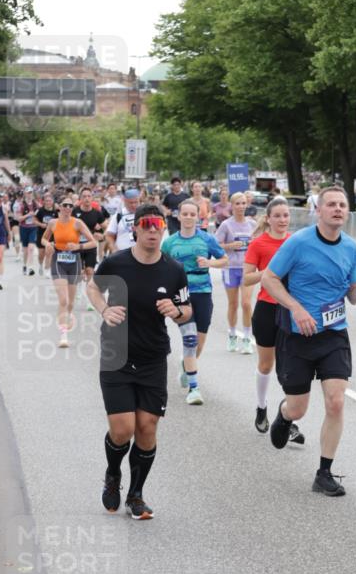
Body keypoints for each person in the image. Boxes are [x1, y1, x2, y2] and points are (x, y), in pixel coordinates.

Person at [261, 186, 356, 496]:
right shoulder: (299, 243)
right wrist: (295, 308)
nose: (337, 209)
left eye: (342, 205)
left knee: (336, 402)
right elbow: (269, 278)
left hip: (334, 334)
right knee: (298, 408)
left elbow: (352, 297)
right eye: (331, 204)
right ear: (319, 210)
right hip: (297, 338)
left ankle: (324, 473)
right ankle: (285, 415)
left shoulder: (351, 248)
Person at [87, 204, 192, 520]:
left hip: (152, 357)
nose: (152, 230)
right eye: (146, 224)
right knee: (122, 430)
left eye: (157, 224)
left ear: (164, 228)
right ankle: (113, 473)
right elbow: (93, 288)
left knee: (147, 428)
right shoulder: (117, 262)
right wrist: (105, 309)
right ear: (135, 228)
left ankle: (136, 495)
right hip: (116, 354)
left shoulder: (173, 269)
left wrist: (176, 311)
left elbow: (187, 309)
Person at [243, 197, 304, 443]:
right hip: (267, 310)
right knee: (267, 364)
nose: (282, 220)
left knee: (290, 368)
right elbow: (246, 278)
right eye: (277, 215)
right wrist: (269, 273)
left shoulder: (295, 242)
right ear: (268, 219)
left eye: (286, 215)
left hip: (290, 309)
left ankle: (288, 420)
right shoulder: (258, 244)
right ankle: (261, 407)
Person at [161, 199, 227, 404]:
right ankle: (194, 388)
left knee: (198, 343)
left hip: (203, 293)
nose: (189, 217)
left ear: (198, 217)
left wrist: (209, 263)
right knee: (189, 339)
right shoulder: (170, 242)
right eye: (185, 214)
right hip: (181, 295)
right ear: (178, 216)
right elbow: (160, 266)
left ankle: (186, 365)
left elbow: (224, 259)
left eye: (192, 214)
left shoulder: (207, 239)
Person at [41, 196, 97, 347]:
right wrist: (48, 244)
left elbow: (93, 242)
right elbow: (43, 239)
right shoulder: (53, 223)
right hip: (58, 261)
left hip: (74, 262)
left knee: (71, 303)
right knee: (63, 300)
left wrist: (79, 246)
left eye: (70, 206)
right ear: (59, 207)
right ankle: (63, 335)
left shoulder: (78, 223)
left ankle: (69, 314)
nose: (67, 208)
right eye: (65, 205)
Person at [216, 192, 256, 353]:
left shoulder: (252, 224)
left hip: (248, 268)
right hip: (230, 268)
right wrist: (230, 246)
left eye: (243, 203)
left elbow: (259, 242)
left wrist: (253, 244)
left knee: (246, 303)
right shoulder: (226, 225)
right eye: (237, 204)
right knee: (233, 304)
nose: (240, 206)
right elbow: (216, 245)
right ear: (231, 206)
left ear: (247, 204)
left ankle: (246, 338)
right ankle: (232, 335)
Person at [72, 186, 109, 291]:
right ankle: (78, 290)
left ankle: (89, 293)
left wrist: (102, 235)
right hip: (77, 246)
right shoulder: (74, 212)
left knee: (90, 271)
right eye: (84, 196)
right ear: (80, 198)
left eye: (89, 196)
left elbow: (107, 227)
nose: (87, 199)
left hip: (90, 246)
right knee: (79, 271)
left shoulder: (97, 213)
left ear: (92, 198)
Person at [105, 188, 139, 253]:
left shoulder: (144, 214)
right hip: (122, 254)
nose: (133, 205)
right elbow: (109, 236)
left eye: (136, 202)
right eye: (131, 203)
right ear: (125, 202)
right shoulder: (118, 215)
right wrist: (114, 250)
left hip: (140, 254)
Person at [33, 193, 58, 276]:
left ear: (52, 202)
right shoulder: (40, 210)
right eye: (46, 201)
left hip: (52, 235)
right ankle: (40, 265)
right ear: (44, 202)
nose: (48, 202)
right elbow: (34, 220)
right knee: (41, 254)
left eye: (50, 201)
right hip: (41, 234)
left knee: (49, 252)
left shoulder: (55, 211)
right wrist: (41, 224)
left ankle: (47, 269)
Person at [16, 187, 38, 276]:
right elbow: (19, 218)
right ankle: (25, 265)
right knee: (25, 250)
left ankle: (31, 267)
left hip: (33, 228)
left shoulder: (36, 204)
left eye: (31, 192)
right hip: (24, 228)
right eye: (28, 193)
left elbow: (40, 212)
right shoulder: (21, 205)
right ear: (25, 194)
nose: (29, 194)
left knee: (31, 248)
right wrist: (28, 215)